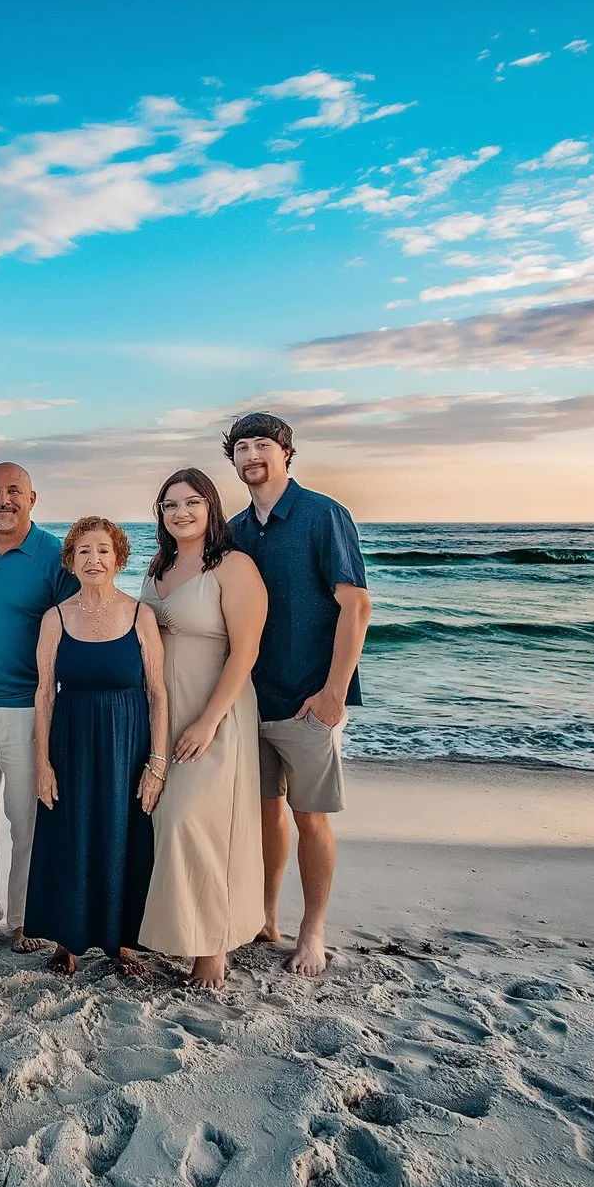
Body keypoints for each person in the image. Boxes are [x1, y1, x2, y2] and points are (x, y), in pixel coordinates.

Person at [225, 412, 372, 978]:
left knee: (309, 817)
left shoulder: (322, 515)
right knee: (265, 815)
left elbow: (355, 606)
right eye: (241, 447)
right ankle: (266, 917)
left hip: (310, 700)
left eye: (263, 444)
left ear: (287, 453)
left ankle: (313, 929)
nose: (252, 455)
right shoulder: (235, 530)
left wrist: (334, 691)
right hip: (251, 701)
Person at [136, 469, 268, 989]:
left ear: (211, 508)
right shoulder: (159, 563)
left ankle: (213, 946)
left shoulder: (234, 567)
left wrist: (209, 720)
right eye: (169, 505)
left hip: (214, 709)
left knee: (198, 823)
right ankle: (172, 933)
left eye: (191, 503)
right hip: (160, 710)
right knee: (161, 821)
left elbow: (246, 651)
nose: (180, 513)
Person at [24, 517, 168, 978]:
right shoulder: (56, 617)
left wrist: (157, 763)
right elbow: (44, 693)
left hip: (128, 740)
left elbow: (157, 693)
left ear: (118, 558)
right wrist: (41, 763)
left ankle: (121, 942)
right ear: (70, 560)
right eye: (84, 551)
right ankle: (68, 939)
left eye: (103, 550)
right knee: (71, 831)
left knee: (124, 834)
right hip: (70, 739)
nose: (94, 559)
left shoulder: (140, 615)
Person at [0, 462, 75, 949]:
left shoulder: (55, 556)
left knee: (26, 820)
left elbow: (80, 622)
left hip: (30, 710)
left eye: (13, 492)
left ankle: (27, 916)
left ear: (32, 497)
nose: (3, 500)